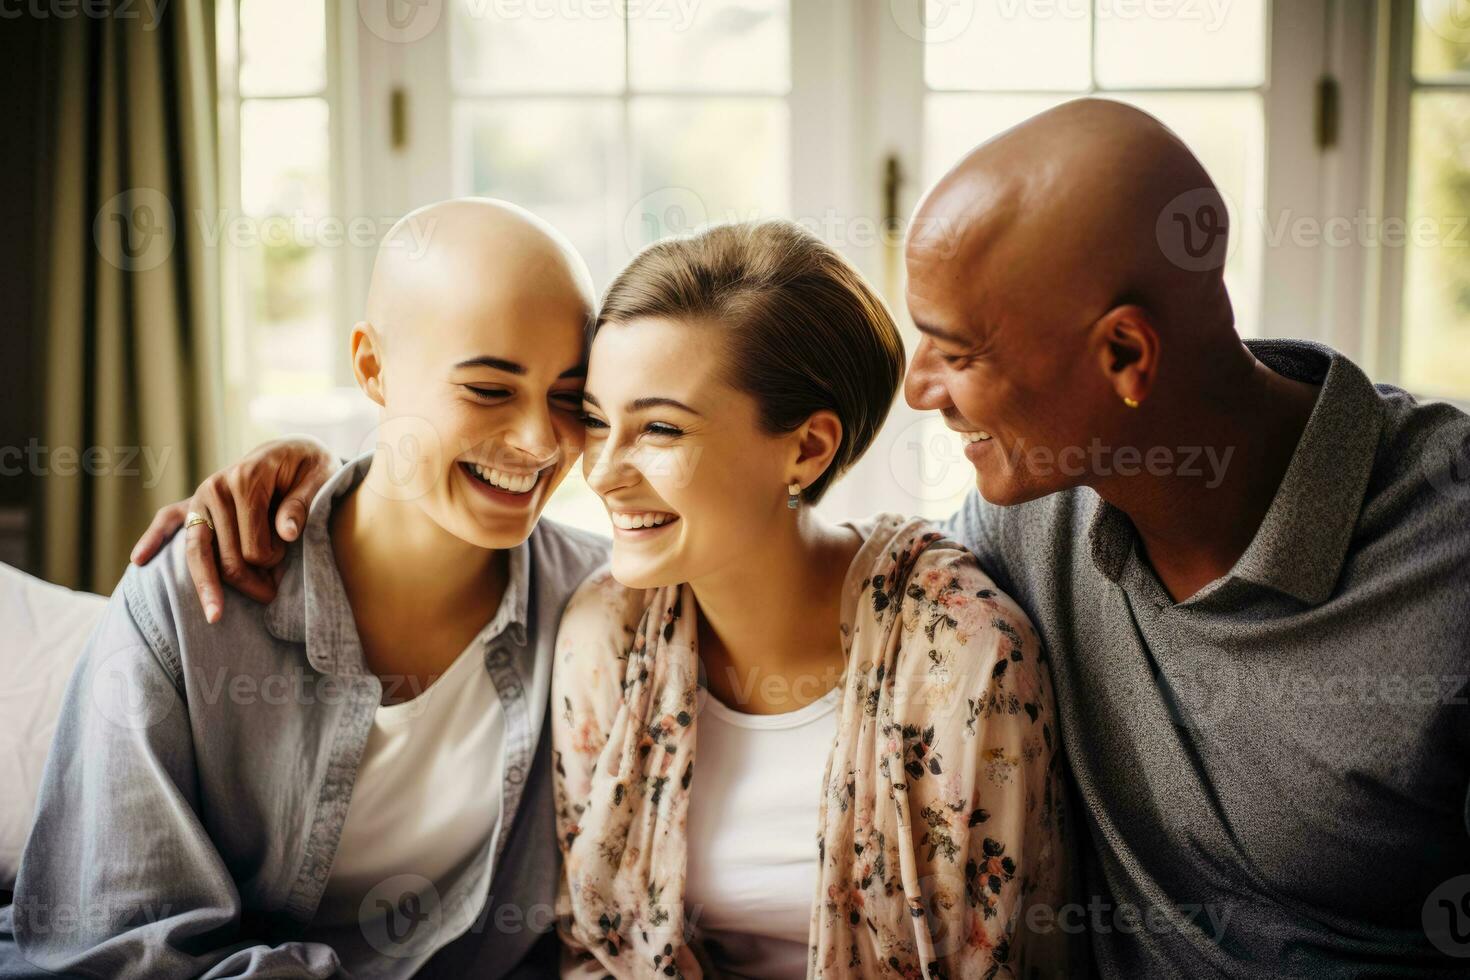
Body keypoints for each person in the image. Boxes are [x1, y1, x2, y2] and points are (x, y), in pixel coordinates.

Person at [906, 98, 1470, 974]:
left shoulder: (1451, 549)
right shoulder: (1025, 512)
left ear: (1126, 356)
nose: (917, 387)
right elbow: (849, 600)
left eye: (957, 353)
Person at [0, 199, 610, 978]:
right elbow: (121, 945)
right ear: (372, 368)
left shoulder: (598, 612)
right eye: (490, 389)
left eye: (569, 396)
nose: (539, 440)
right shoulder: (193, 598)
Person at [550, 221, 1071, 978]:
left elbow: (999, 965)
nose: (601, 473)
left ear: (807, 449)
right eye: (598, 421)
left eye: (659, 427)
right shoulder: (604, 632)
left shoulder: (963, 658)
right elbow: (591, 949)